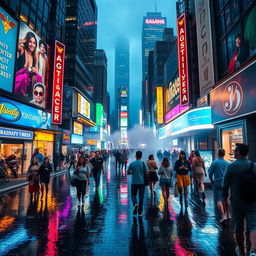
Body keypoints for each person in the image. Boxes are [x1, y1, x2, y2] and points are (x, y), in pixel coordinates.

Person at [223, 143, 256, 256]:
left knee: (238, 227)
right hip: (252, 200)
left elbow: (225, 185)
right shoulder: (253, 165)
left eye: (235, 150)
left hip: (237, 201)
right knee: (253, 226)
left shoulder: (231, 166)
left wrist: (224, 198)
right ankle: (253, 250)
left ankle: (241, 251)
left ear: (238, 152)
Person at [14, 31, 42, 100]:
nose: (32, 44)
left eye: (34, 43)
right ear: (26, 42)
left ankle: (34, 97)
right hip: (19, 78)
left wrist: (34, 71)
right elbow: (13, 41)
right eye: (30, 42)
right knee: (24, 77)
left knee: (39, 77)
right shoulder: (22, 49)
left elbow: (37, 71)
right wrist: (24, 40)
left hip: (29, 81)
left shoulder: (34, 55)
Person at [208, 148, 230, 223]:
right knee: (226, 198)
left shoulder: (214, 163)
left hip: (217, 182)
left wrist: (211, 181)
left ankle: (223, 216)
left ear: (217, 154)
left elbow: (210, 173)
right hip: (226, 183)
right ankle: (228, 214)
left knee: (219, 200)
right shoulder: (228, 163)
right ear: (224, 154)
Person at [127, 151, 148, 216]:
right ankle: (140, 212)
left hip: (134, 182)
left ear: (135, 156)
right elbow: (147, 173)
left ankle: (135, 203)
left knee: (133, 195)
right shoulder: (143, 164)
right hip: (142, 183)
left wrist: (132, 172)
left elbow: (128, 172)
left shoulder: (132, 163)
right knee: (141, 196)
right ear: (141, 156)